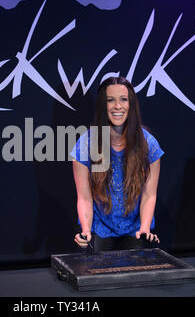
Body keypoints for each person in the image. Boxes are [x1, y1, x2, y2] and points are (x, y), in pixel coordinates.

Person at [70, 76, 164, 252]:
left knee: (136, 267)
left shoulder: (149, 144)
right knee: (95, 268)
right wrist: (85, 231)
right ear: (102, 106)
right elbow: (84, 198)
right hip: (100, 228)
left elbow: (149, 195)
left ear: (131, 104)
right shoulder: (86, 144)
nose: (117, 106)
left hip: (134, 229)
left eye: (123, 100)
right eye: (110, 100)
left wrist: (144, 228)